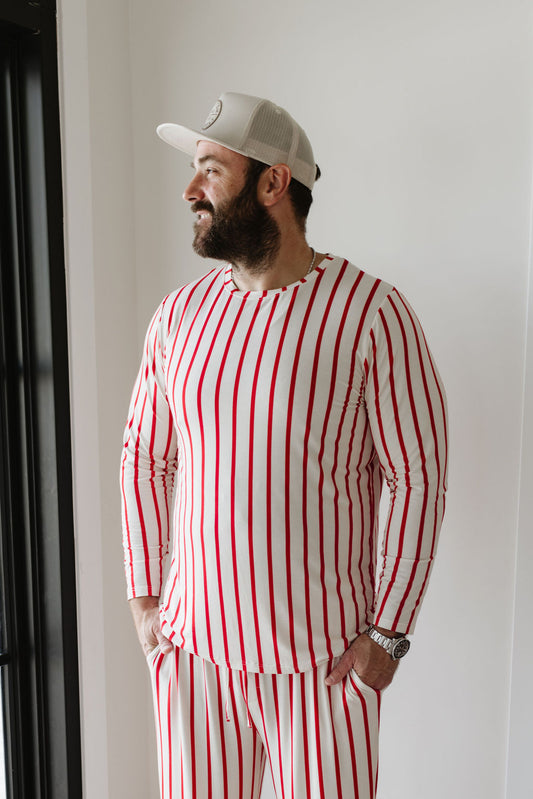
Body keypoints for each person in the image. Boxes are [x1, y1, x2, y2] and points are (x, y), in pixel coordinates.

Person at [120, 91, 448, 799]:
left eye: (210, 168)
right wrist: (145, 603)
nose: (189, 189)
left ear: (272, 183)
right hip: (194, 658)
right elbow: (144, 456)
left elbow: (417, 477)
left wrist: (387, 634)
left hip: (324, 669)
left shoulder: (370, 313)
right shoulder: (180, 316)